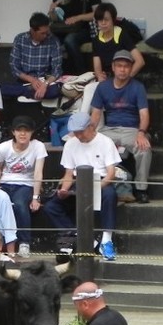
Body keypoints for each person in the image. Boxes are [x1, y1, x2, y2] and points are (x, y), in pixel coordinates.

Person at [43, 111, 120, 260]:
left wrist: (96, 188)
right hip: (78, 183)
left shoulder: (105, 142)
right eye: (75, 132)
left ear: (90, 126)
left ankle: (106, 240)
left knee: (110, 195)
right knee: (51, 206)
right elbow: (68, 174)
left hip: (100, 182)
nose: (78, 135)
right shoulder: (71, 144)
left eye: (81, 132)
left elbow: (111, 173)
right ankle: (82, 235)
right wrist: (64, 190)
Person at [90, 49, 152, 203]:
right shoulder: (103, 87)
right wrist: (89, 133)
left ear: (131, 68)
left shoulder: (138, 87)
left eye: (126, 66)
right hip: (109, 130)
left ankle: (141, 189)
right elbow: (96, 114)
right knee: (92, 145)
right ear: (113, 67)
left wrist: (141, 133)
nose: (122, 69)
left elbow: (144, 114)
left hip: (132, 130)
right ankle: (99, 186)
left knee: (144, 148)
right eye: (119, 66)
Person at [0, 115, 46, 258]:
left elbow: (38, 172)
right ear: (13, 132)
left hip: (25, 184)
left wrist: (36, 197)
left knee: (19, 203)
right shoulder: (3, 148)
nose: (23, 134)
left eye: (27, 130)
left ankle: (24, 242)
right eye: (19, 130)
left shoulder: (38, 146)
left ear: (32, 133)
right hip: (5, 183)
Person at [49, 0, 102, 75]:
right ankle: (56, 76)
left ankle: (82, 75)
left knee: (70, 40)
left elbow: (98, 13)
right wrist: (51, 11)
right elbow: (54, 19)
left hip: (85, 29)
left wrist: (78, 18)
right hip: (63, 29)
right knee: (50, 40)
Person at [4, 12, 63, 100]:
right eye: (42, 33)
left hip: (46, 82)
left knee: (55, 91)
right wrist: (32, 80)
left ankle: (26, 93)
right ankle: (30, 91)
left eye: (47, 32)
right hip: (25, 82)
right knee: (1, 89)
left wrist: (45, 85)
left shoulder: (53, 41)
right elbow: (14, 68)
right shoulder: (20, 39)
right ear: (32, 30)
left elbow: (57, 70)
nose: (46, 35)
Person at [91, 2, 143, 82]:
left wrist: (126, 78)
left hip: (124, 78)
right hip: (107, 80)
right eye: (100, 20)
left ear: (113, 20)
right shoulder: (96, 40)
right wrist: (100, 76)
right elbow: (98, 69)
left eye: (107, 19)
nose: (103, 23)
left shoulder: (122, 35)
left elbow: (140, 61)